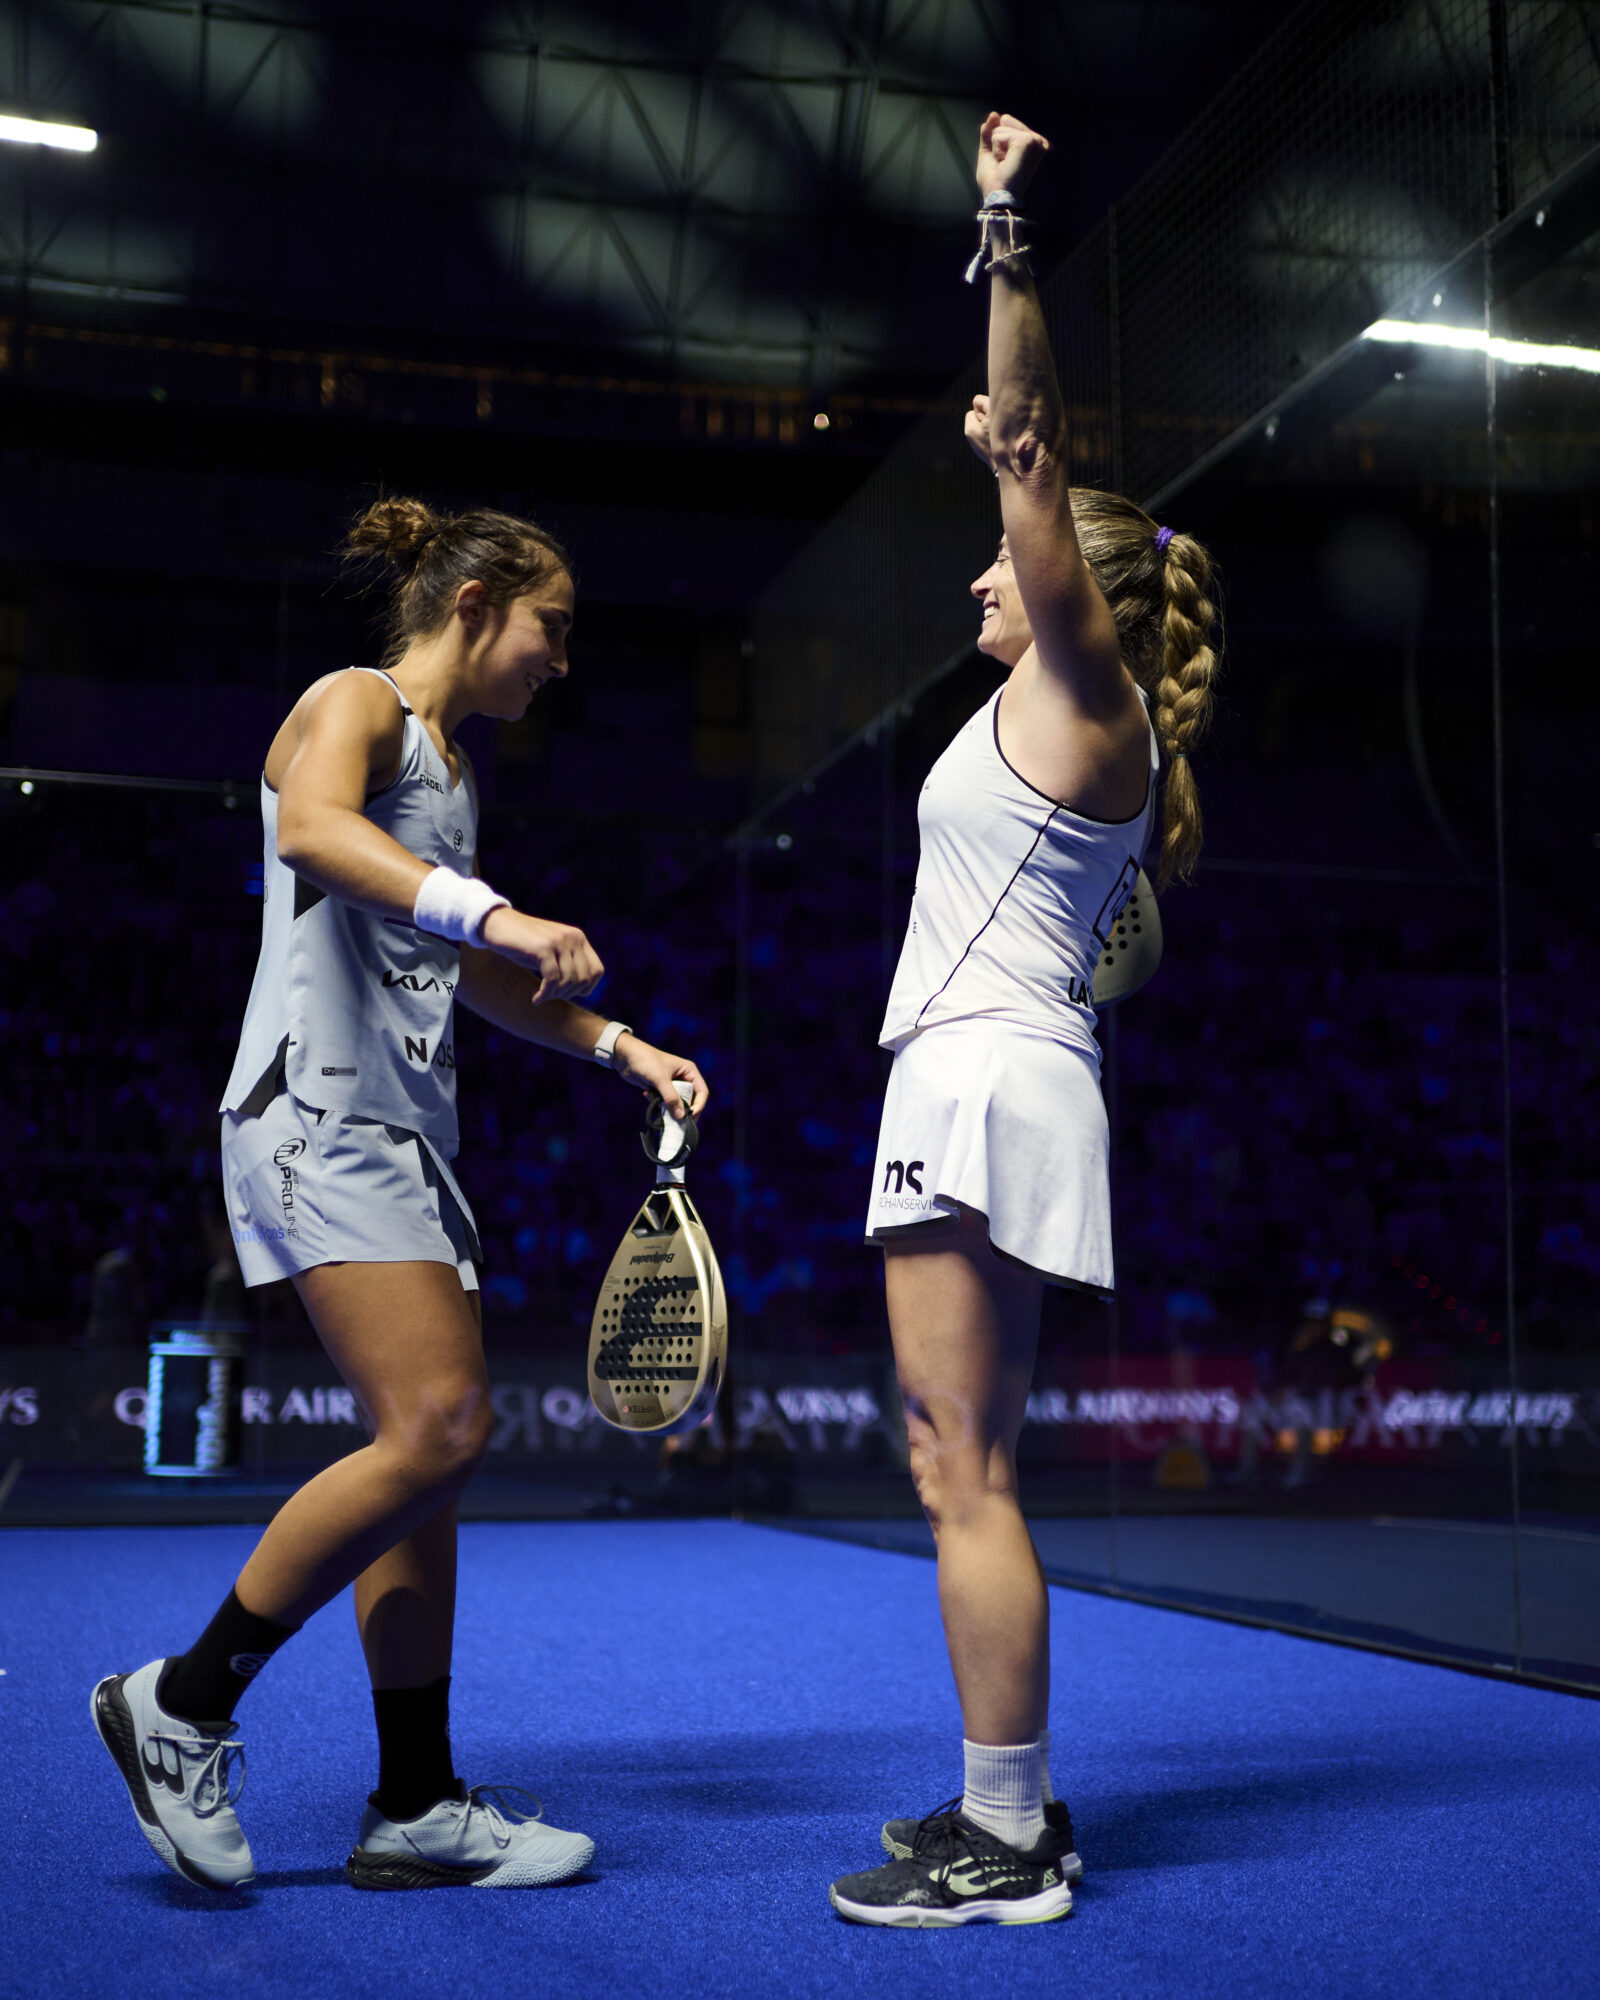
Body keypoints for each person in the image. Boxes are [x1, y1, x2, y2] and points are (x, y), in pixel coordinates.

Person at [92, 497, 707, 1893]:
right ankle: (181, 1704)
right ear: (478, 598)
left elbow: (476, 976)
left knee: (421, 1472)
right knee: (438, 1425)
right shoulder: (352, 702)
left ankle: (417, 1802)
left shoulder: (450, 773)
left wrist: (620, 1047)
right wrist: (489, 908)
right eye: (553, 626)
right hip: (320, 1117)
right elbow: (313, 831)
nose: (562, 659)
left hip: (408, 1142)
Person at [827, 113, 1220, 1929]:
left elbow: (1032, 445)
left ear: (1080, 582)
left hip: (983, 1083)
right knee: (955, 1460)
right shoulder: (1079, 725)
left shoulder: (1086, 686)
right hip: (997, 1073)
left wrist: (1004, 231)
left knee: (958, 1465)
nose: (982, 568)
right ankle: (1006, 1810)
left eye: (1013, 547)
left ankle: (1012, 1845)